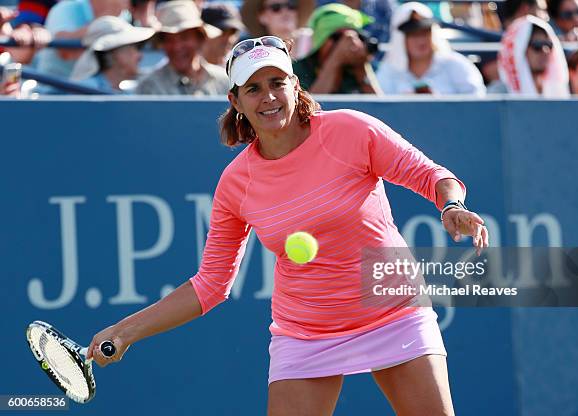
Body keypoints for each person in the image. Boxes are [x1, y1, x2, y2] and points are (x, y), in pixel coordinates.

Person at [87, 36, 489, 415]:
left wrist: (451, 203)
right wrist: (124, 332)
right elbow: (210, 285)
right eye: (254, 89)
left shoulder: (351, 129)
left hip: (392, 310)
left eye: (277, 83)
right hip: (305, 334)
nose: (269, 97)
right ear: (235, 101)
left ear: (295, 85)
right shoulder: (236, 183)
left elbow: (429, 174)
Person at [376, 2, 486, 95]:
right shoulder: (388, 71)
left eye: (425, 32)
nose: (421, 40)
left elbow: (477, 103)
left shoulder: (457, 65)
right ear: (400, 39)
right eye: (413, 35)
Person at [135, 0, 228, 95]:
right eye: (169, 40)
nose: (177, 47)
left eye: (184, 38)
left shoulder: (224, 82)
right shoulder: (149, 87)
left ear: (200, 39)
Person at [292, 3, 382, 94]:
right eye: (337, 37)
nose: (344, 45)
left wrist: (361, 68)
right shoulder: (298, 69)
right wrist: (335, 60)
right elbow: (313, 105)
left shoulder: (355, 66)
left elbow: (380, 105)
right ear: (321, 40)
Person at [34, 0, 130, 81]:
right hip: (56, 92)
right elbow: (65, 52)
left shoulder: (123, 15)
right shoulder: (66, 8)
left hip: (99, 91)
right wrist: (105, 19)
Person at [70, 16, 155, 93]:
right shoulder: (84, 91)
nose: (139, 56)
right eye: (131, 49)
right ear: (113, 54)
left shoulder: (129, 92)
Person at [490, 15, 570, 96]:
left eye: (549, 45)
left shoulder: (555, 92)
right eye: (537, 46)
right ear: (519, 50)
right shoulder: (499, 93)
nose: (545, 51)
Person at [240, 0, 315, 59]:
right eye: (276, 7)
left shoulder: (315, 39)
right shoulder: (255, 53)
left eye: (291, 5)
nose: (285, 11)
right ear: (262, 16)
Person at [201, 3, 245, 67]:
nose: (229, 39)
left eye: (233, 32)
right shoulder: (186, 68)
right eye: (223, 32)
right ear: (203, 31)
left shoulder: (238, 68)